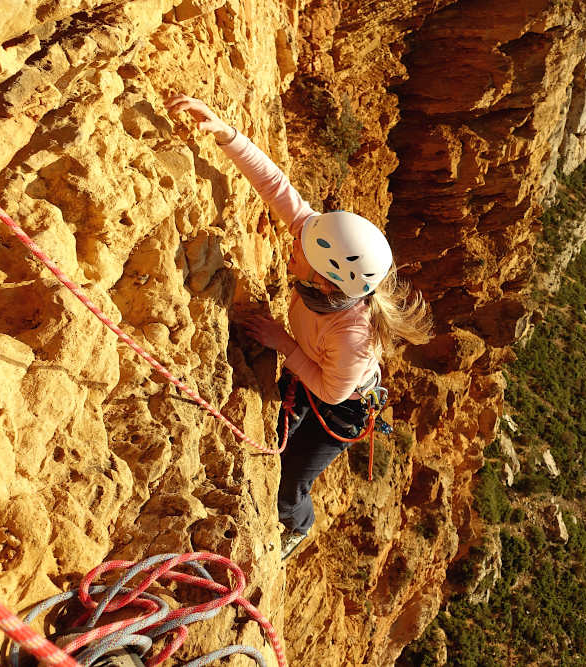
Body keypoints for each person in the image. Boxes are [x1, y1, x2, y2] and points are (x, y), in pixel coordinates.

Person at [164, 94, 432, 560]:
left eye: (299, 253)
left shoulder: (353, 336)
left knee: (290, 481)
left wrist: (284, 343)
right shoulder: (324, 260)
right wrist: (227, 134)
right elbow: (277, 187)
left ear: (325, 278)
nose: (292, 246)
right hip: (312, 368)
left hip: (342, 407)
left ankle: (297, 525)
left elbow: (329, 392)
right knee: (273, 444)